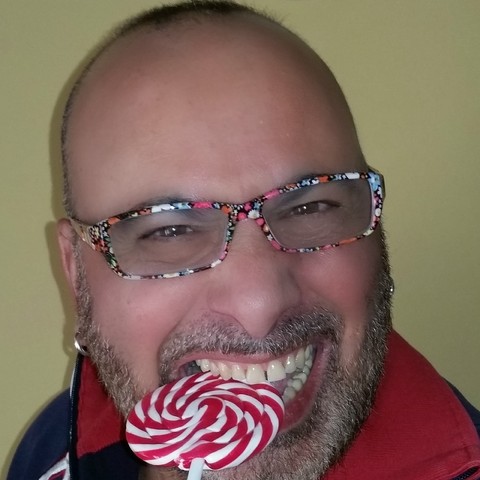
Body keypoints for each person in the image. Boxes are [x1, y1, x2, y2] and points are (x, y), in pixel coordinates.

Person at [8, 1, 480, 479]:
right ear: (75, 273)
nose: (259, 305)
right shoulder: (54, 449)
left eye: (311, 207)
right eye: (168, 230)